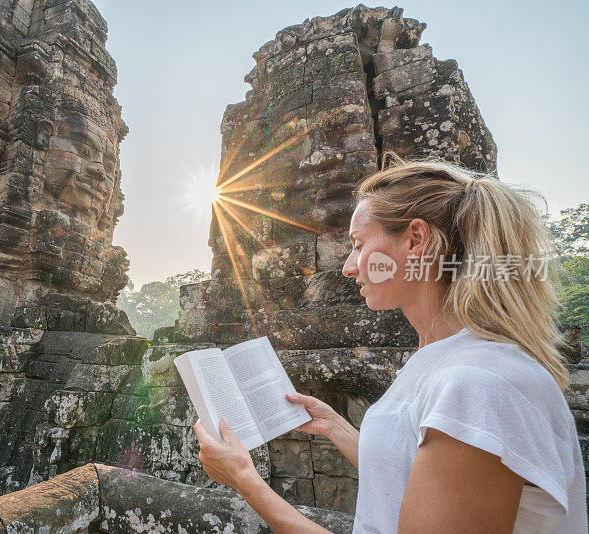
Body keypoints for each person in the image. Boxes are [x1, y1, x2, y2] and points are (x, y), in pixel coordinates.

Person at [193, 155, 589, 533]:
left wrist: (246, 482)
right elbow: (413, 473)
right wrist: (336, 427)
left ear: (416, 239)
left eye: (360, 245)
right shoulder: (443, 358)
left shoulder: (478, 382)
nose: (349, 267)